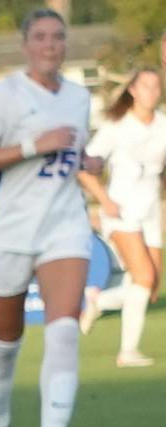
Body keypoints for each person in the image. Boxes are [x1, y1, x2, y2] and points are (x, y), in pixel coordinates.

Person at [0, 8, 102, 427]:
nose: (50, 45)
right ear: (25, 45)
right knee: (6, 343)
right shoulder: (3, 97)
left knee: (64, 328)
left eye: (58, 37)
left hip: (64, 226)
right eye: (41, 37)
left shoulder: (80, 97)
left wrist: (86, 161)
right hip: (8, 232)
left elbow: (70, 154)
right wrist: (32, 146)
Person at [78, 66, 166, 368]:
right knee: (142, 278)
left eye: (156, 86)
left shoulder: (163, 125)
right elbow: (83, 168)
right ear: (133, 90)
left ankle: (97, 301)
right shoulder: (117, 127)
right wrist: (104, 200)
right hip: (121, 211)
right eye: (145, 86)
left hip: (150, 211)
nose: (152, 92)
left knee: (150, 289)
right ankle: (127, 352)